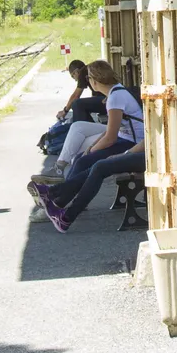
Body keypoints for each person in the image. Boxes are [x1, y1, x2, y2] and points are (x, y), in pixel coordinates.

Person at [28, 59, 144, 230]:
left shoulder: (116, 97)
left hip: (131, 143)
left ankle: (56, 201)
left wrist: (92, 151)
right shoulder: (115, 93)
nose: (88, 83)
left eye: (89, 79)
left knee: (94, 164)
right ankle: (57, 201)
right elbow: (110, 132)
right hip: (125, 139)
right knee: (82, 160)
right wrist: (90, 148)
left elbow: (111, 137)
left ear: (94, 81)